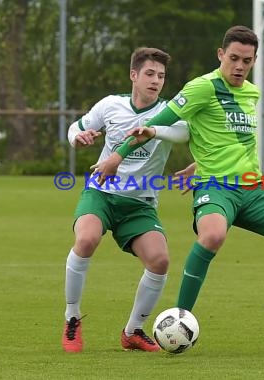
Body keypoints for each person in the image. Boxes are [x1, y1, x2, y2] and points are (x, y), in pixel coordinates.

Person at [92, 26, 264, 347]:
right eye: (233, 58)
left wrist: (198, 160)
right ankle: (179, 318)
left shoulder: (252, 93)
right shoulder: (202, 87)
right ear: (221, 55)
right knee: (213, 235)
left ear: (254, 60)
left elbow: (232, 141)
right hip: (215, 188)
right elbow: (155, 122)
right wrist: (116, 157)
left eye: (246, 60)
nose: (239, 66)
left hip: (253, 187)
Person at [62, 47, 189, 353]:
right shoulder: (111, 105)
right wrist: (78, 138)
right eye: (149, 74)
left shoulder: (169, 112)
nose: (156, 80)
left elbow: (183, 134)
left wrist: (155, 130)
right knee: (87, 239)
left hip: (140, 203)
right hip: (102, 193)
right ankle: (72, 318)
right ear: (134, 75)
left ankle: (133, 331)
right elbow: (75, 129)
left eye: (161, 76)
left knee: (160, 261)